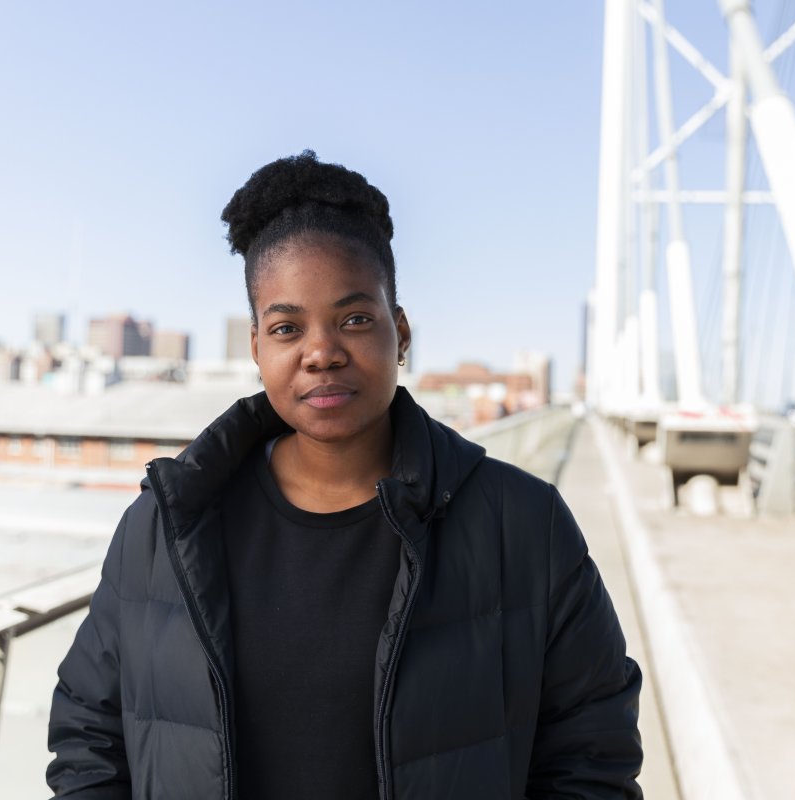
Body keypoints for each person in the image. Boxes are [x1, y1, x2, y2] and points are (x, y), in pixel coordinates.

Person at [46, 151, 643, 799]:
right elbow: (89, 734)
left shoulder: (522, 524)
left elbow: (593, 755)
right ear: (256, 348)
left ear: (402, 331)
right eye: (286, 327)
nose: (322, 352)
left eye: (355, 319)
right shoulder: (167, 525)